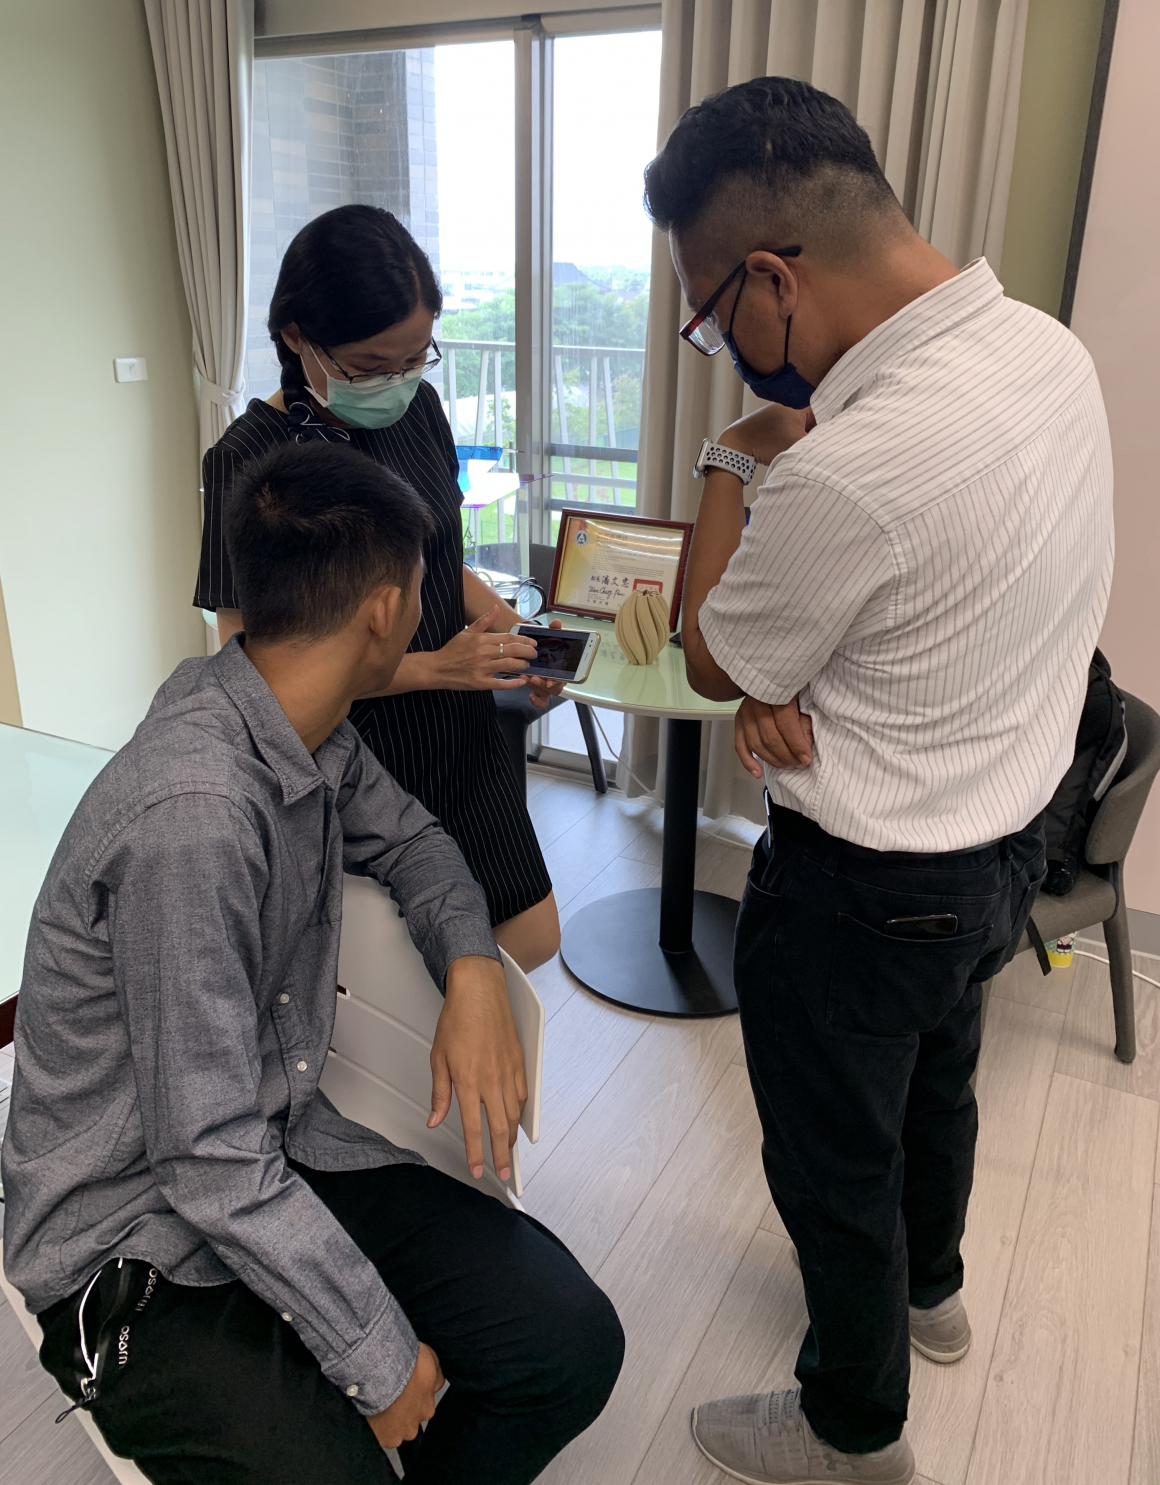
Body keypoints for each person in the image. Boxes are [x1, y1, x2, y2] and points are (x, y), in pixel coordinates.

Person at [644, 78, 1113, 1485]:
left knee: (835, 1161)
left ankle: (851, 1430)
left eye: (711, 318)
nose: (723, 348)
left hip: (860, 892)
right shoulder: (1048, 355)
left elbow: (711, 654)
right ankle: (935, 1293)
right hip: (1006, 845)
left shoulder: (844, 471)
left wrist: (734, 459)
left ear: (770, 278)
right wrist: (798, 674)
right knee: (938, 1087)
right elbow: (976, 588)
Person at [1, 443, 623, 1485]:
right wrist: (377, 1355)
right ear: (385, 610)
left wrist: (472, 966)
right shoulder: (195, 815)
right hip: (128, 1233)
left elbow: (418, 843)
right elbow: (202, 1154)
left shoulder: (298, 721)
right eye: (424, 588)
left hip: (278, 1140)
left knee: (567, 1345)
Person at [195, 204, 560, 971]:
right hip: (356, 759)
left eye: (415, 357)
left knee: (529, 939)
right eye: (369, 366)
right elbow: (254, 672)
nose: (396, 382)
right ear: (297, 336)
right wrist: (436, 666)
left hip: (461, 739)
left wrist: (509, 634)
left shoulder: (419, 408)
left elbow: (440, 553)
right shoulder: (249, 462)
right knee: (402, 983)